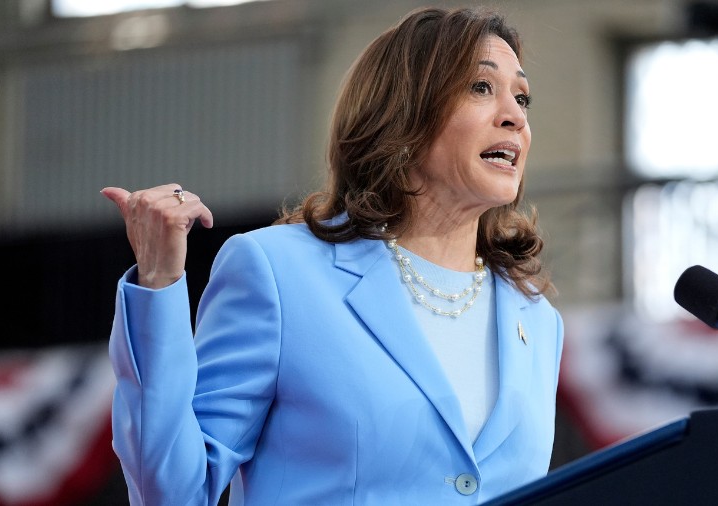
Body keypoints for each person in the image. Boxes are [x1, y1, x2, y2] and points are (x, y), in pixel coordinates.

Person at [101, 6, 563, 505]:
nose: (515, 116)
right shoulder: (278, 273)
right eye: (480, 87)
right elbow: (171, 492)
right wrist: (159, 283)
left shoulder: (536, 320)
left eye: (522, 97)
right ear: (405, 111)